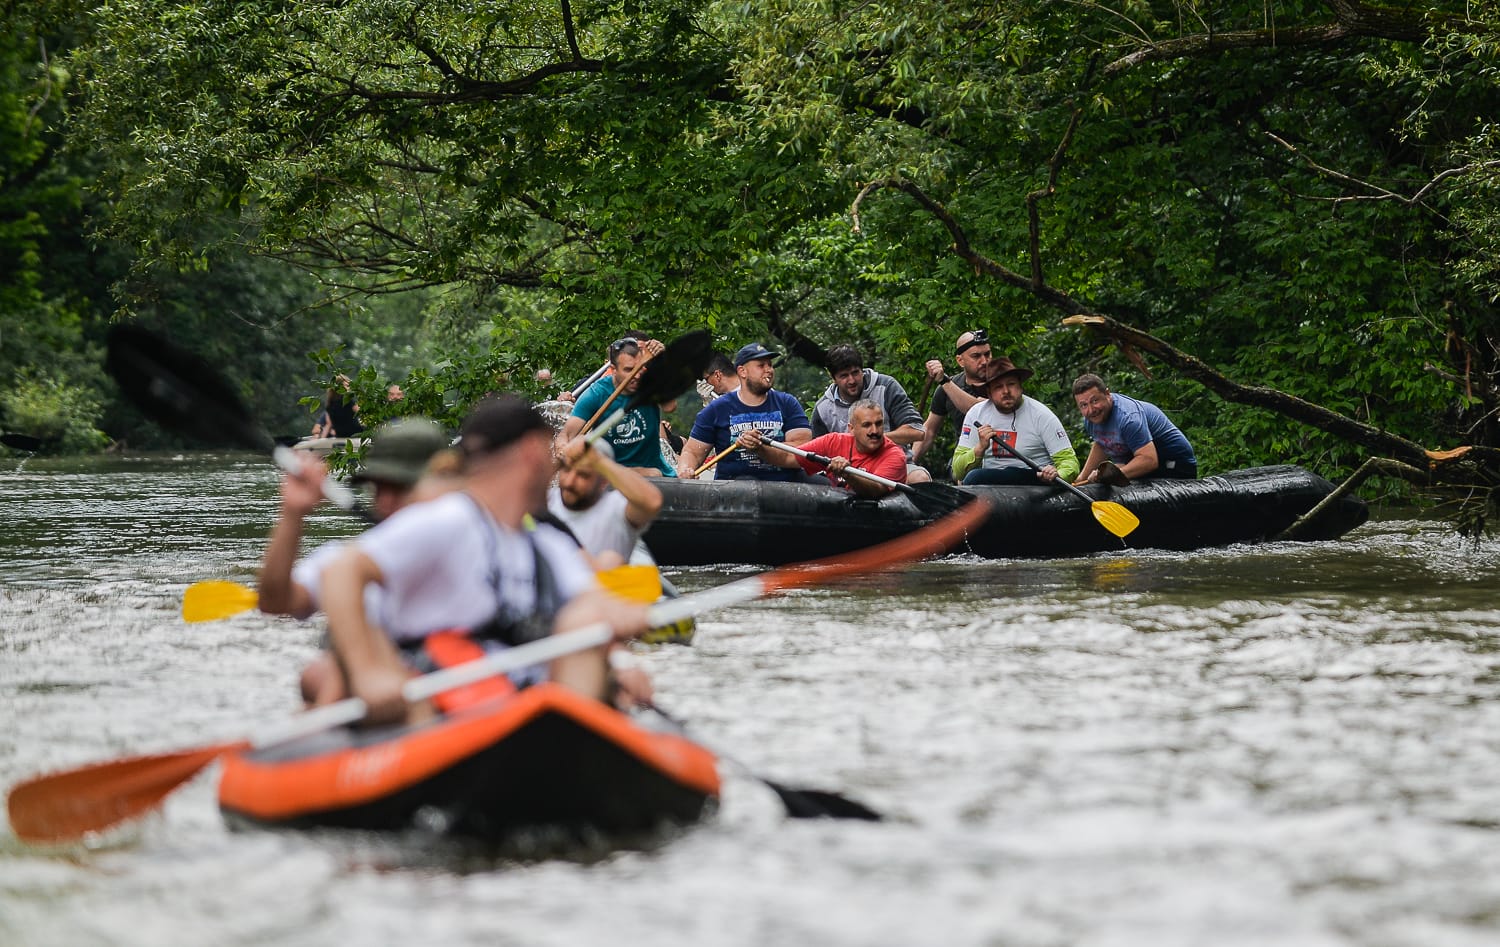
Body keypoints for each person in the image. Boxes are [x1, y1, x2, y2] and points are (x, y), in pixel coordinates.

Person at [320, 395, 649, 724]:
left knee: (586, 626)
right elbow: (340, 571)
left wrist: (622, 658)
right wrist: (367, 676)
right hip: (443, 710)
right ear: (533, 451)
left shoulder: (545, 542)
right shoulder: (450, 519)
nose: (556, 468)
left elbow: (591, 604)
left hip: (518, 713)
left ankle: (574, 751)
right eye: (552, 456)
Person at [675, 342, 814, 480]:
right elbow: (692, 451)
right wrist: (686, 470)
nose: (769, 370)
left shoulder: (787, 403)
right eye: (761, 365)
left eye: (770, 365)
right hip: (735, 490)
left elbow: (801, 451)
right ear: (742, 371)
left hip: (784, 488)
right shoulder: (716, 409)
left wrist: (761, 448)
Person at [810, 343, 930, 484]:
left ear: (862, 370)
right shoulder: (823, 408)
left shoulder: (886, 387)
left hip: (895, 467)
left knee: (920, 478)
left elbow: (917, 432)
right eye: (844, 376)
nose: (852, 381)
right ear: (833, 377)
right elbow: (817, 457)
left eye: (855, 373)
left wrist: (873, 440)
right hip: (849, 474)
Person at [558, 336, 676, 477]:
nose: (636, 376)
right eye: (629, 370)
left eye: (639, 368)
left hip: (657, 475)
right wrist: (563, 449)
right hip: (612, 477)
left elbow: (670, 406)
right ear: (613, 369)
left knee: (653, 473)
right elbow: (566, 435)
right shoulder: (597, 393)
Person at [952, 357, 1080, 486]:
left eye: (1011, 384)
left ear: (1020, 386)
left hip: (1035, 484)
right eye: (998, 387)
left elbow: (1070, 462)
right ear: (989, 393)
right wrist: (979, 448)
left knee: (975, 477)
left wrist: (1057, 474)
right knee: (972, 478)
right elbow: (957, 471)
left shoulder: (1042, 415)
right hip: (992, 487)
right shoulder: (976, 414)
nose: (1006, 391)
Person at [750, 399, 907, 498]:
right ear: (851, 429)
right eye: (866, 425)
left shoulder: (895, 455)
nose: (874, 431)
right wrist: (759, 448)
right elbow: (787, 458)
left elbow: (877, 491)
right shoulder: (833, 441)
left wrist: (848, 474)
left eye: (878, 424)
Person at [548, 437, 664, 569]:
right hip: (553, 584)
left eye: (583, 475)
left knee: (610, 559)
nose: (569, 482)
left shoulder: (616, 507)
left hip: (602, 582)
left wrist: (597, 460)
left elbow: (653, 502)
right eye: (567, 470)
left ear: (604, 481)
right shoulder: (546, 501)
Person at [1071, 373, 1198, 482]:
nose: (1091, 410)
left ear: (1107, 394)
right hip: (1145, 462)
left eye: (1094, 401)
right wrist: (1082, 478)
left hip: (1174, 464)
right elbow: (1102, 444)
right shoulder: (1091, 420)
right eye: (1083, 405)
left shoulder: (1128, 418)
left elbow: (1149, 460)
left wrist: (1108, 476)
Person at [913, 330, 993, 468]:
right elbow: (930, 429)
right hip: (965, 460)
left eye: (987, 354)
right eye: (976, 356)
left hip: (999, 457)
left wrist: (944, 382)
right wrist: (909, 461)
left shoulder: (1003, 384)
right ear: (960, 361)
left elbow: (976, 410)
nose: (984, 361)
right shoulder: (948, 388)